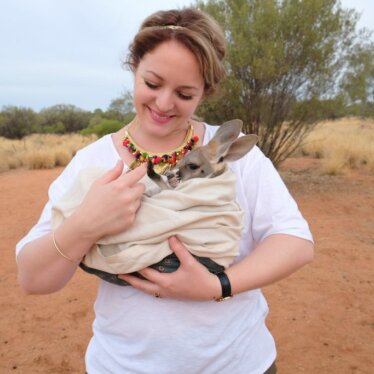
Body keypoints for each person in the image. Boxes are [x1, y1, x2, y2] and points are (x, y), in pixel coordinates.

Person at [16, 7, 314, 374]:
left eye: (185, 94)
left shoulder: (231, 157)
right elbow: (33, 278)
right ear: (134, 66)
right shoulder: (91, 162)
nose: (163, 103)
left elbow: (295, 241)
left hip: (238, 363)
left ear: (206, 91)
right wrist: (86, 223)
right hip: (124, 365)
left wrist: (218, 285)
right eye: (152, 84)